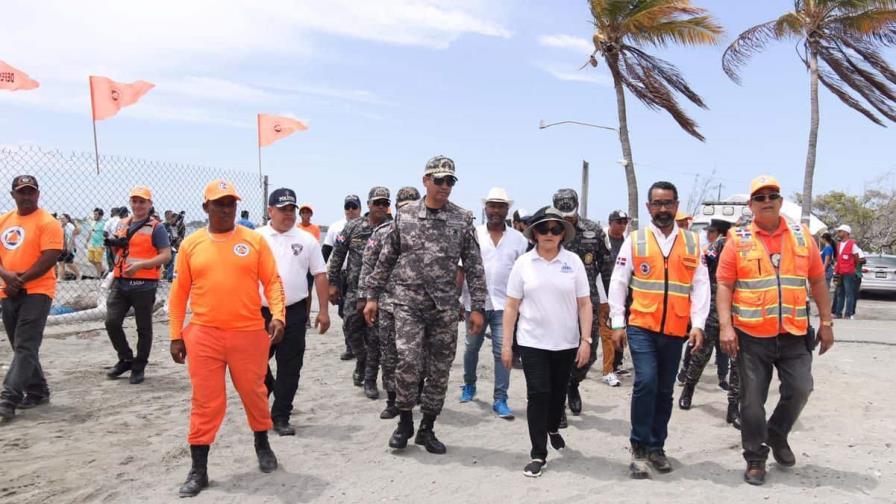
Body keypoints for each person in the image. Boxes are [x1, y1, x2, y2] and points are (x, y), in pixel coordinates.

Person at [168, 179, 286, 497]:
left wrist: (278, 315)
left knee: (254, 394)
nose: (226, 209)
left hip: (248, 333)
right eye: (219, 203)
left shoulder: (254, 241)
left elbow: (272, 281)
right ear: (206, 207)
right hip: (204, 334)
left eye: (231, 203)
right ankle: (199, 470)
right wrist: (175, 334)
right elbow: (178, 294)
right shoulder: (191, 245)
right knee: (206, 402)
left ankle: (262, 443)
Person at [363, 155, 487, 455]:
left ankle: (427, 427)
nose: (445, 186)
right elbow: (386, 258)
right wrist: (371, 296)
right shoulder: (404, 216)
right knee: (407, 360)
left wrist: (478, 307)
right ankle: (404, 421)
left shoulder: (462, 218)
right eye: (439, 180)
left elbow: (474, 265)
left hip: (444, 307)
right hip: (408, 302)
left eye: (450, 181)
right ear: (425, 181)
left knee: (440, 369)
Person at [716, 174, 834, 486]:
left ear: (781, 202)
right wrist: (726, 327)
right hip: (752, 336)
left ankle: (777, 433)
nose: (767, 201)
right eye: (760, 197)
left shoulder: (801, 236)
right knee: (752, 401)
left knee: (801, 389)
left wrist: (827, 322)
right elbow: (725, 285)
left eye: (772, 196)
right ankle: (755, 458)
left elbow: (818, 280)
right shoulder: (737, 240)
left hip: (794, 333)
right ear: (751, 205)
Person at [608, 180, 709, 479]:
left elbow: (701, 285)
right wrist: (617, 322)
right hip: (642, 325)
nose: (663, 209)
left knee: (664, 391)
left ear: (676, 206)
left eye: (668, 203)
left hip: (676, 329)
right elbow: (618, 281)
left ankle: (656, 447)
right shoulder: (635, 240)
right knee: (646, 382)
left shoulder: (693, 242)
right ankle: (639, 447)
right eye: (657, 203)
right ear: (649, 207)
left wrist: (699, 324)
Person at [499, 206, 592, 477]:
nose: (550, 234)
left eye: (556, 229)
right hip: (532, 342)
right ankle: (538, 454)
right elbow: (511, 306)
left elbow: (584, 304)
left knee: (556, 395)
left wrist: (586, 340)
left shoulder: (573, 262)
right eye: (544, 229)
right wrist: (506, 344)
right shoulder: (523, 264)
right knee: (538, 395)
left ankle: (552, 428)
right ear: (534, 233)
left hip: (566, 343)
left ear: (563, 233)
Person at [256, 187, 330, 436]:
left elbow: (320, 274)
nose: (288, 214)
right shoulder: (255, 237)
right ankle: (269, 389)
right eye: (282, 209)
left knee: (290, 365)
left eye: (291, 209)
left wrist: (324, 311)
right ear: (270, 210)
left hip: (295, 311)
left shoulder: (307, 239)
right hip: (260, 311)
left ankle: (281, 415)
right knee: (255, 363)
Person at [459, 187, 528, 419]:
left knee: (502, 352)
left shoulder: (519, 239)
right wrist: (458, 300)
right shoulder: (473, 234)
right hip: (474, 304)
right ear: (485, 208)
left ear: (508, 209)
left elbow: (524, 275)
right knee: (471, 348)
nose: (496, 210)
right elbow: (461, 269)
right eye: (492, 205)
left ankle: (500, 399)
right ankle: (469, 384)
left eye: (501, 206)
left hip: (505, 306)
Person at [0, 175, 63, 421]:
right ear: (13, 194)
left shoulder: (48, 222)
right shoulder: (4, 220)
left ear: (38, 194)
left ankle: (9, 398)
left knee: (25, 344)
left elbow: (50, 256)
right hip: (8, 290)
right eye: (22, 192)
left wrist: (21, 280)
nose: (27, 197)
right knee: (20, 346)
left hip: (38, 291)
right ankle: (38, 391)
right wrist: (7, 277)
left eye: (31, 192)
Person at [358, 186, 421, 419]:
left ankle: (416, 393)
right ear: (396, 209)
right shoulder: (384, 232)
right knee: (389, 354)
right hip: (387, 304)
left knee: (417, 354)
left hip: (418, 306)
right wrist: (365, 297)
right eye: (403, 207)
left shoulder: (427, 231)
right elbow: (368, 265)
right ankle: (393, 400)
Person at [552, 188, 611, 424]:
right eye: (562, 213)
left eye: (570, 212)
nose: (566, 218)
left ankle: (573, 383)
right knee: (558, 353)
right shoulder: (548, 228)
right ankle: (558, 407)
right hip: (556, 302)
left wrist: (615, 303)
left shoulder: (593, 231)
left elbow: (606, 267)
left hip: (587, 300)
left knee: (589, 351)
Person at [328, 187, 393, 399]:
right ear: (369, 204)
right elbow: (337, 255)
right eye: (378, 203)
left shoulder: (393, 228)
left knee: (375, 338)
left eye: (385, 203)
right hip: (354, 291)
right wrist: (333, 283)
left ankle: (370, 379)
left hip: (381, 294)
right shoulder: (353, 227)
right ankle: (361, 360)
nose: (381, 207)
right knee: (350, 328)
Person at [104, 186, 172, 384]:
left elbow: (166, 255)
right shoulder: (122, 223)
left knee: (143, 328)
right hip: (121, 282)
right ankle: (125, 358)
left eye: (142, 201)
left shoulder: (156, 227)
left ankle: (139, 365)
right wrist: (114, 243)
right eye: (134, 201)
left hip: (144, 283)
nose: (137, 205)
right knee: (112, 321)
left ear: (150, 204)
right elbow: (120, 248)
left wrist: (142, 265)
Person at [678, 219, 735, 412]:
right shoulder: (721, 244)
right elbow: (702, 268)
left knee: (737, 358)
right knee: (701, 352)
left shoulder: (754, 246)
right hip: (714, 305)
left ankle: (734, 405)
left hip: (739, 307)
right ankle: (688, 388)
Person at [322, 194, 363, 361]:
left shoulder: (368, 226)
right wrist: (322, 277)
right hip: (341, 275)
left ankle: (360, 346)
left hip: (361, 276)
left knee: (360, 312)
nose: (351, 210)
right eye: (348, 207)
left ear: (360, 208)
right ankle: (351, 346)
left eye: (354, 207)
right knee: (343, 312)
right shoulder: (335, 227)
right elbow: (326, 252)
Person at [602, 209, 630, 386]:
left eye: (624, 222)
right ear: (610, 222)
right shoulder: (603, 241)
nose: (621, 225)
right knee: (607, 334)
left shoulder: (626, 242)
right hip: (604, 293)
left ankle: (617, 363)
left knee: (620, 329)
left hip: (623, 294)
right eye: (618, 222)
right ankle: (608, 370)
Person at [832, 224, 864, 320]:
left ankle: (848, 314)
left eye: (840, 231)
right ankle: (838, 313)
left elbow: (857, 258)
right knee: (839, 293)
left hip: (849, 273)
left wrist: (853, 268)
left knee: (849, 294)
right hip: (840, 272)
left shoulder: (852, 244)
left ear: (846, 233)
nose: (838, 233)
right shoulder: (838, 245)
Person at [56, 213, 81, 281]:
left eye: (63, 218)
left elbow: (72, 238)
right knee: (60, 262)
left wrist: (69, 248)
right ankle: (60, 278)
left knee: (69, 263)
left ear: (67, 219)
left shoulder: (70, 227)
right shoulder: (59, 226)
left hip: (69, 247)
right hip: (61, 247)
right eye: (60, 218)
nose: (61, 220)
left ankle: (79, 274)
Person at [86, 208, 107, 278]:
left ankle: (98, 275)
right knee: (90, 259)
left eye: (96, 214)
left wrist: (104, 244)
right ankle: (103, 269)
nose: (94, 216)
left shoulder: (104, 224)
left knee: (98, 260)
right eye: (94, 214)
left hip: (100, 244)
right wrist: (86, 241)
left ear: (101, 216)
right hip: (92, 243)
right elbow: (90, 232)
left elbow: (106, 234)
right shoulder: (93, 222)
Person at [104, 207, 124, 272]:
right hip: (120, 242)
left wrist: (108, 237)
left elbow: (105, 233)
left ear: (112, 213)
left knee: (110, 259)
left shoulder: (109, 221)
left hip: (110, 241)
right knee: (119, 258)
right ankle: (118, 271)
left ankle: (112, 271)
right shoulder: (122, 220)